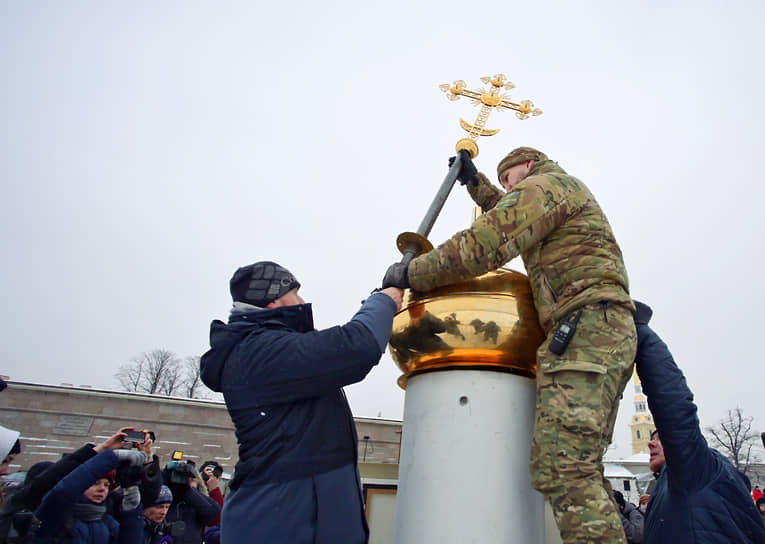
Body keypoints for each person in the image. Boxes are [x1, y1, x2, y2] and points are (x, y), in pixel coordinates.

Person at [382, 147, 636, 543]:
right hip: (598, 327)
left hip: (584, 328)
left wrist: (410, 273)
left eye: (509, 178)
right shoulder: (556, 190)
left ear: (529, 165)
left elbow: (487, 242)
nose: (508, 187)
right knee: (578, 467)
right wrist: (475, 184)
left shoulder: (545, 186)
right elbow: (509, 211)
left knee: (564, 467)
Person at [200, 260, 403, 543]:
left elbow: (336, 347)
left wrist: (376, 301)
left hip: (288, 510)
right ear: (276, 298)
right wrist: (383, 301)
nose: (303, 301)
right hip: (285, 516)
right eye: (296, 293)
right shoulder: (259, 350)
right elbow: (354, 347)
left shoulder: (262, 348)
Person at [634, 300, 765, 542]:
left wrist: (640, 332)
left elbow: (675, 408)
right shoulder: (671, 485)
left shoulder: (696, 470)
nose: (651, 445)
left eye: (661, 438)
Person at [33, 429, 147, 543]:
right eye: (95, 483)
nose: (102, 489)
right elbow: (64, 492)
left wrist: (131, 511)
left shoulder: (107, 521)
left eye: (107, 485)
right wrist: (110, 457)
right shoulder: (56, 513)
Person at [161, 460, 219, 544]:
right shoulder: (164, 499)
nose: (184, 482)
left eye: (192, 480)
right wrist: (164, 480)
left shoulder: (196, 500)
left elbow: (213, 512)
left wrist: (187, 490)